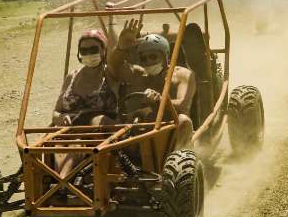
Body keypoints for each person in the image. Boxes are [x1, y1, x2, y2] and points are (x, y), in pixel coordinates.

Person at [108, 20, 196, 149]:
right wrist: (121, 48)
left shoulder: (182, 74)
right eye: (144, 58)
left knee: (184, 120)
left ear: (165, 56)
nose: (148, 61)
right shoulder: (138, 74)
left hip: (172, 128)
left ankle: (180, 158)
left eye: (153, 56)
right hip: (141, 127)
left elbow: (183, 105)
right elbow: (113, 67)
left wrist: (160, 100)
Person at [51, 28, 117, 176]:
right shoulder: (72, 77)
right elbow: (55, 112)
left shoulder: (110, 74)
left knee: (77, 144)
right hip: (69, 131)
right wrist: (60, 117)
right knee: (48, 145)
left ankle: (61, 185)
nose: (88, 54)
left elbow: (117, 53)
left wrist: (111, 21)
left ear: (103, 50)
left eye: (94, 49)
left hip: (100, 133)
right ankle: (50, 182)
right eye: (84, 50)